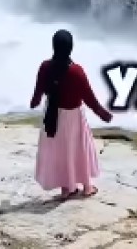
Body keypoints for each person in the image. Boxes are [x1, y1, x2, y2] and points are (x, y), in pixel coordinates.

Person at [30, 29, 113, 200]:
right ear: (71, 48)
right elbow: (89, 98)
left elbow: (37, 93)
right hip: (74, 116)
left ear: (53, 46)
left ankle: (67, 188)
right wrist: (103, 114)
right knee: (79, 150)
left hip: (53, 116)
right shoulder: (76, 71)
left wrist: (35, 101)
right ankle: (87, 187)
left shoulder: (45, 67)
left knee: (61, 151)